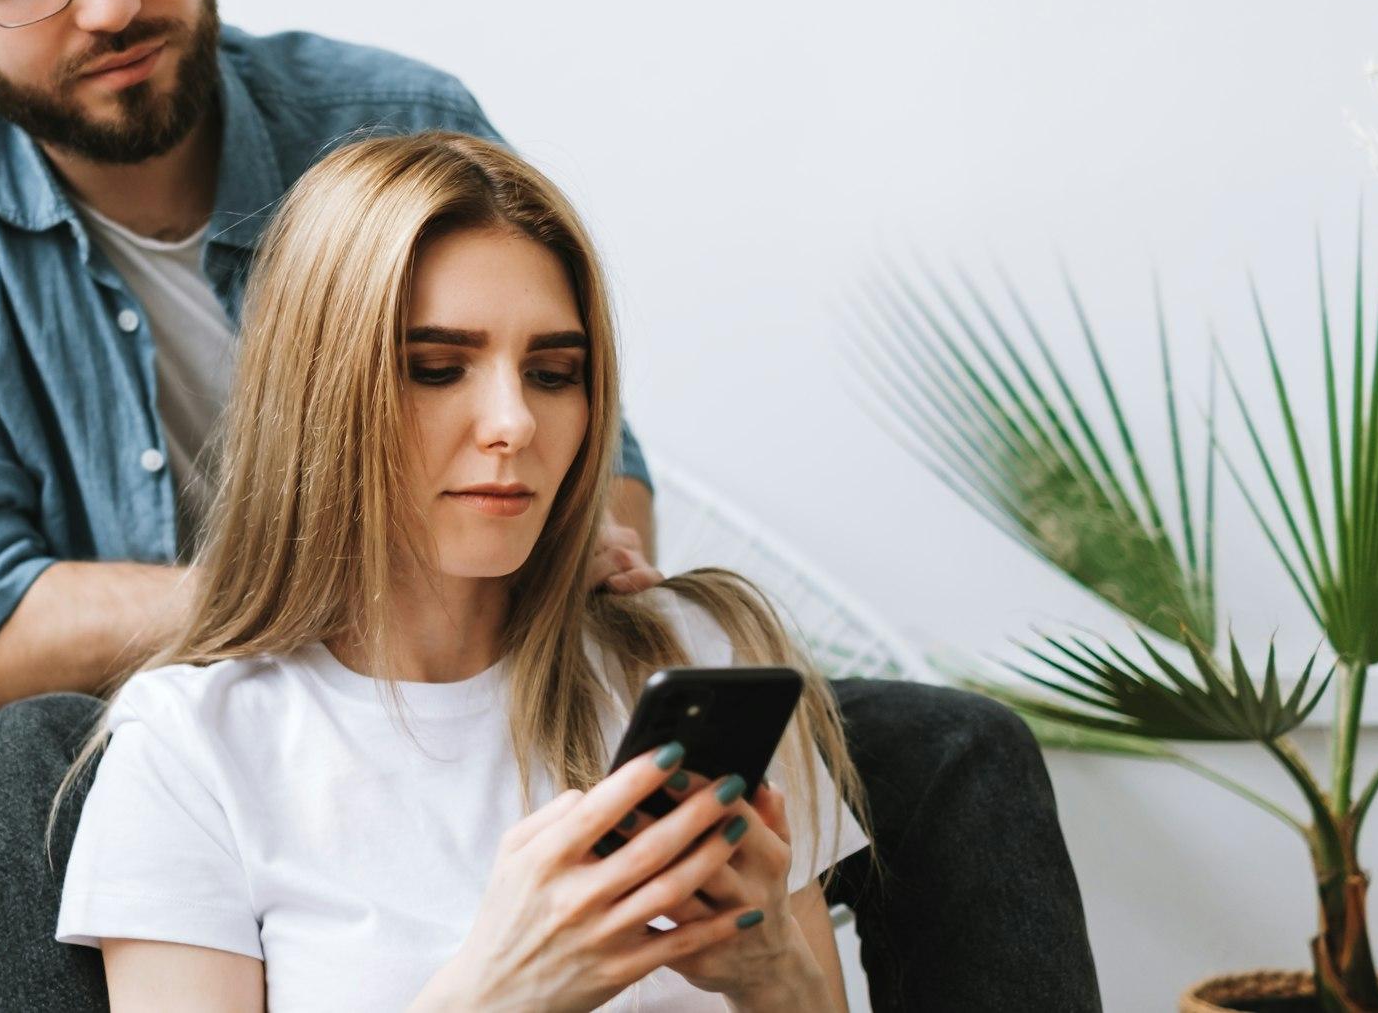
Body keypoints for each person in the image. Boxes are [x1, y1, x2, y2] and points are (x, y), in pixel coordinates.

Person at [0, 0, 1102, 1008]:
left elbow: (608, 472)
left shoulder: (395, 115)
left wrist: (534, 546)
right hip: (212, 700)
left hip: (490, 665)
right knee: (22, 760)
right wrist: (333, 595)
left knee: (951, 745)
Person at [54, 130, 865, 1012]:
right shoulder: (192, 749)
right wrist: (501, 992)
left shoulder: (696, 653)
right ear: (320, 394)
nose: (513, 421)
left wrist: (775, 974)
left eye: (554, 372)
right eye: (437, 368)